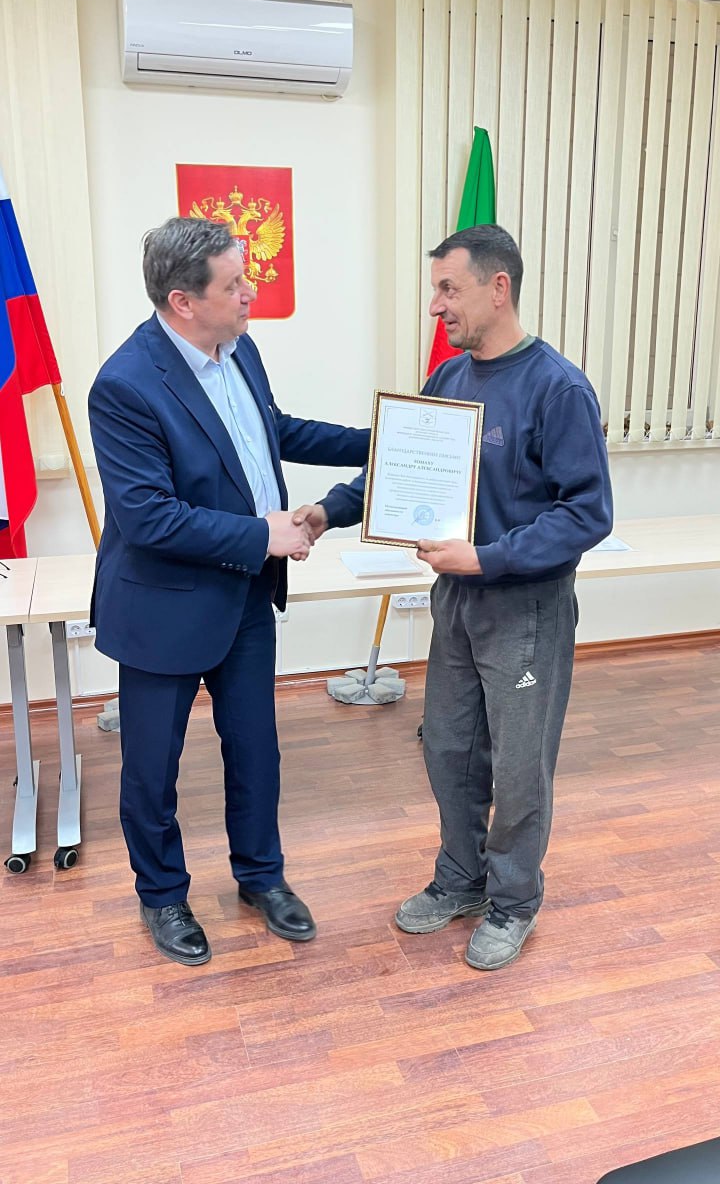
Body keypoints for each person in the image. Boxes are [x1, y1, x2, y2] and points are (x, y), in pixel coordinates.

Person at [294, 224, 613, 971]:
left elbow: (587, 512)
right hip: (458, 602)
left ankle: (513, 901)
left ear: (498, 288)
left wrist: (489, 556)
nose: (436, 306)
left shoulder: (558, 388)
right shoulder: (449, 379)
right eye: (435, 290)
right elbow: (399, 467)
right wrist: (330, 510)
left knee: (519, 767)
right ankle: (461, 880)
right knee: (449, 748)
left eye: (448, 288)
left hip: (526, 608)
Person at [88, 216, 369, 967]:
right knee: (153, 768)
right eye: (235, 284)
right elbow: (148, 517)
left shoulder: (239, 348)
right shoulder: (124, 385)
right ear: (183, 301)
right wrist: (261, 534)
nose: (251, 292)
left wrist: (388, 439)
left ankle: (262, 877)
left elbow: (274, 431)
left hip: (243, 598)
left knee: (256, 749)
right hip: (163, 606)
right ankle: (162, 895)